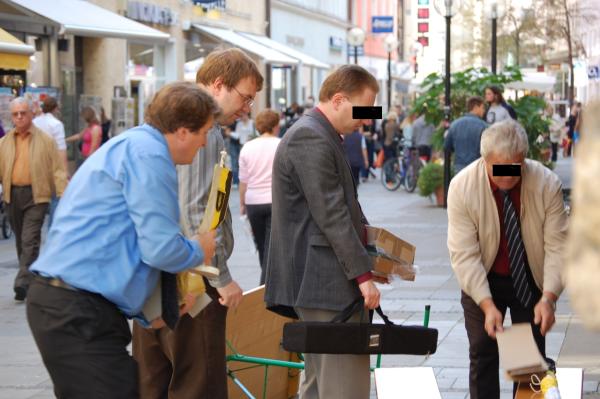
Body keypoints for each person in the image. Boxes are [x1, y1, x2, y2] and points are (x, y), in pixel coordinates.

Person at [133, 48, 263, 399]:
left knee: (152, 379)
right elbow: (197, 211)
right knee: (196, 382)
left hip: (153, 268)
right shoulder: (203, 129)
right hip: (190, 277)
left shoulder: (171, 119)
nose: (247, 109)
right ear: (219, 85)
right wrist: (220, 277)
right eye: (245, 97)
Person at [265, 65, 382, 399]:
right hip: (323, 281)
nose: (367, 120)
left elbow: (341, 209)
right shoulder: (311, 135)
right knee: (343, 386)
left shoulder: (319, 132)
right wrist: (362, 275)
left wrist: (371, 260)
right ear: (338, 99)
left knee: (320, 382)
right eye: (364, 110)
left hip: (322, 280)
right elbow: (332, 213)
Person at [447, 120, 567, 399]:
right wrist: (487, 305)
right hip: (484, 274)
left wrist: (548, 298)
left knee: (527, 356)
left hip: (528, 275)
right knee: (482, 348)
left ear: (523, 160)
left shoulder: (546, 184)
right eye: (498, 168)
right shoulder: (462, 187)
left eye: (514, 168)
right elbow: (464, 255)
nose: (507, 177)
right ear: (484, 159)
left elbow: (558, 247)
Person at [0, 97, 67, 301]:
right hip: (12, 195)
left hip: (37, 195)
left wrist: (63, 195)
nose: (19, 117)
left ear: (31, 114)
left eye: (23, 113)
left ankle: (22, 283)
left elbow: (58, 169)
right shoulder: (4, 142)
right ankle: (30, 277)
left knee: (29, 239)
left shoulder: (45, 140)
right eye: (15, 114)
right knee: (21, 241)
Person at [239, 109, 281, 285]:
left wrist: (242, 203)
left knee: (262, 246)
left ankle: (266, 283)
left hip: (253, 202)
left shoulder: (247, 147)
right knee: (274, 248)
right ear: (276, 126)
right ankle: (267, 286)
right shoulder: (281, 144)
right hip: (275, 201)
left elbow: (243, 181)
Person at [33, 97, 69, 228]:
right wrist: (64, 172)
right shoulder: (56, 124)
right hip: (52, 167)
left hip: (35, 166)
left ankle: (35, 229)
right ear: (55, 108)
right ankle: (51, 231)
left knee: (37, 201)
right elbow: (61, 150)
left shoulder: (34, 122)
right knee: (56, 199)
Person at [444, 96, 488, 174]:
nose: (484, 111)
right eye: (482, 108)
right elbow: (488, 149)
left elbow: (447, 147)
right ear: (476, 107)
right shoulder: (483, 126)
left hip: (459, 168)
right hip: (477, 167)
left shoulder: (454, 124)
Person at [229, 112, 255, 186]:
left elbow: (256, 133)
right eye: (241, 115)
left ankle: (250, 180)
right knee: (241, 163)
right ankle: (239, 181)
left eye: (244, 115)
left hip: (251, 145)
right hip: (242, 145)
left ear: (247, 115)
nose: (242, 117)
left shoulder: (252, 123)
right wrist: (229, 133)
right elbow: (237, 135)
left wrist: (251, 137)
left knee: (250, 163)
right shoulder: (239, 124)